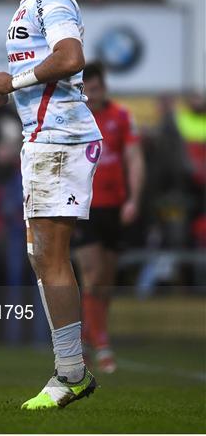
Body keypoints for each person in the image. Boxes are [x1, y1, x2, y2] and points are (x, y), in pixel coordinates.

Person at [0, 0, 102, 410]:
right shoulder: (29, 4)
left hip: (62, 139)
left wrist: (13, 82)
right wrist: (4, 92)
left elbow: (71, 58)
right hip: (43, 139)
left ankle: (70, 373)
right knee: (40, 255)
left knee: (49, 257)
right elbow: (40, 73)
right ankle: (71, 370)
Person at [73, 61, 144, 373]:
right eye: (89, 87)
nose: (94, 91)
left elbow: (134, 158)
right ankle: (102, 346)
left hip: (114, 208)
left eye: (98, 86)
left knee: (106, 281)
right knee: (91, 275)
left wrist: (134, 199)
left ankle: (89, 340)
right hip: (84, 207)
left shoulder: (121, 117)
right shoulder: (74, 118)